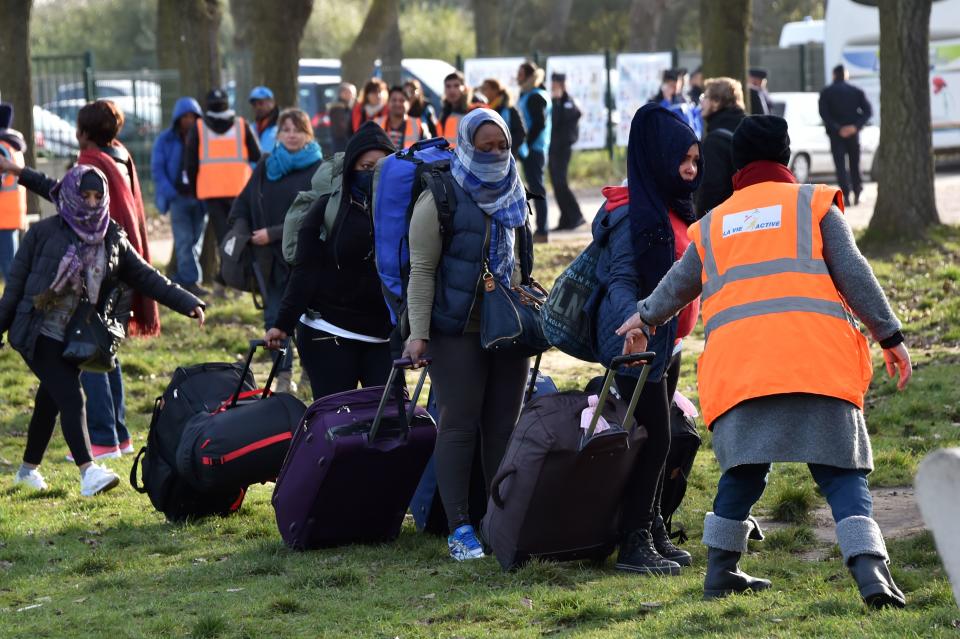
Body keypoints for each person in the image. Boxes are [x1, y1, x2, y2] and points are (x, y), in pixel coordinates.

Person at [617, 115, 910, 608]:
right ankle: (871, 574)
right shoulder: (813, 204)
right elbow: (854, 274)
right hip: (817, 364)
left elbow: (677, 283)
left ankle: (721, 571)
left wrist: (642, 317)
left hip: (744, 371)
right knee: (842, 473)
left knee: (743, 471)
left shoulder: (713, 224)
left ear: (735, 164)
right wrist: (890, 334)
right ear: (786, 154)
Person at [0, 165, 204, 496]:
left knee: (50, 401)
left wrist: (187, 302)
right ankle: (88, 472)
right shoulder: (44, 233)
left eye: (98, 196)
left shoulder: (112, 237)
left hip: (74, 337)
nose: (92, 203)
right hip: (36, 331)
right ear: (70, 195)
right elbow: (15, 288)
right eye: (85, 195)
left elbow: (146, 276)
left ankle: (27, 471)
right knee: (71, 396)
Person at [402, 109, 532, 561]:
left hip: (507, 327)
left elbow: (519, 261)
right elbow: (421, 272)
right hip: (455, 327)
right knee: (458, 422)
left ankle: (497, 521)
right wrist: (417, 335)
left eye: (502, 146)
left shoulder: (516, 188)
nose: (495, 154)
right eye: (485, 146)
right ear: (466, 144)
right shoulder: (440, 194)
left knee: (503, 427)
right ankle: (459, 526)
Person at [3, 100, 162, 460]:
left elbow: (62, 193)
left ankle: (104, 439)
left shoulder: (91, 163)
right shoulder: (120, 155)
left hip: (98, 269)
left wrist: (19, 171)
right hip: (116, 266)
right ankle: (119, 435)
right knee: (106, 347)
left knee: (84, 347)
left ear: (85, 132)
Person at [592, 103, 702, 575]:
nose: (692, 170)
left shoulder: (671, 203)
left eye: (697, 160)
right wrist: (632, 333)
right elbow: (619, 281)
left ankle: (653, 526)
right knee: (652, 441)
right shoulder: (628, 215)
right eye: (684, 160)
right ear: (657, 156)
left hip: (668, 344)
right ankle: (632, 541)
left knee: (661, 439)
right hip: (639, 347)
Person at [265, 121, 395, 400]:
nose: (373, 175)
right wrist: (283, 324)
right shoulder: (326, 207)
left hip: (382, 335)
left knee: (392, 422)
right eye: (366, 167)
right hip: (328, 331)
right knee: (339, 424)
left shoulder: (402, 210)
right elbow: (305, 270)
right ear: (350, 169)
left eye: (382, 168)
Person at [227, 109, 322, 394]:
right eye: (286, 129)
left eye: (298, 130)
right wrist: (242, 233)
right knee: (273, 320)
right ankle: (283, 375)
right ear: (277, 135)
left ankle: (310, 371)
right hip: (268, 262)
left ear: (309, 135)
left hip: (306, 259)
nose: (292, 135)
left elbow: (318, 213)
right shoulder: (266, 166)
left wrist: (274, 233)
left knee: (308, 321)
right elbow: (242, 205)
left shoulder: (319, 169)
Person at [184, 89, 261, 295]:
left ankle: (223, 282)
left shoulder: (198, 128)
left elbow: (190, 164)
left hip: (211, 192)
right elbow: (257, 155)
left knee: (223, 239)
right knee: (239, 236)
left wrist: (194, 190)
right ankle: (234, 283)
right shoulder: (241, 125)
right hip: (240, 191)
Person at [151, 96, 208, 297]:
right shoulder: (165, 140)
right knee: (184, 240)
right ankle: (190, 281)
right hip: (179, 199)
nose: (189, 121)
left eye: (193, 117)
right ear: (178, 118)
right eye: (185, 117)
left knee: (196, 241)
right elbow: (157, 169)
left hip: (201, 199)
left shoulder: (205, 138)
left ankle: (188, 278)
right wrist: (170, 193)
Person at [819, 64, 873, 205]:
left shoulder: (826, 92)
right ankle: (857, 191)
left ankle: (846, 195)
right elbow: (868, 111)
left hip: (836, 135)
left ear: (834, 75)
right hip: (853, 134)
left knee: (840, 166)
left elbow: (824, 114)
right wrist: (855, 127)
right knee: (855, 163)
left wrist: (838, 128)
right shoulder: (856, 91)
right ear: (846, 75)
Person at [695, 77, 747, 215]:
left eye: (705, 96)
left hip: (726, 221)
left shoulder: (715, 141)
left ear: (717, 102)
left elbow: (711, 190)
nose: (701, 102)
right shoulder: (748, 129)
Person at [516, 61, 552, 242]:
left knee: (537, 188)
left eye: (521, 74)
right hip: (533, 148)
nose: (518, 77)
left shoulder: (535, 97)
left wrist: (527, 143)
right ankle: (541, 228)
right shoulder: (529, 94)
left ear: (529, 76)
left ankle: (543, 230)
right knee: (535, 186)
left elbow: (539, 122)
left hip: (534, 148)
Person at [548, 72, 585, 231]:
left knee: (561, 183)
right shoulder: (553, 101)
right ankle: (565, 218)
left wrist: (558, 101)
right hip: (552, 147)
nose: (554, 87)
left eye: (557, 84)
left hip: (563, 148)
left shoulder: (567, 102)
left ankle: (576, 215)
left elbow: (569, 117)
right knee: (556, 185)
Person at [0, 102, 27, 282]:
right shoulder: (13, 146)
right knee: (11, 266)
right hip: (11, 214)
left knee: (10, 270)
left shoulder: (2, 148)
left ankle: (15, 307)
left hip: (3, 216)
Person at [478, 78, 526, 159]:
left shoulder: (509, 109)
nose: (482, 92)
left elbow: (520, 133)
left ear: (495, 90)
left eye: (485, 89)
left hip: (507, 156)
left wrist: (506, 149)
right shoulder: (485, 108)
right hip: (490, 155)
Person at [438, 71, 471, 145]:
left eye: (456, 86)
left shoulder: (472, 112)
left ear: (464, 88)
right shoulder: (445, 112)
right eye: (448, 86)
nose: (452, 90)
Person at [328, 82, 357, 154]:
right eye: (350, 93)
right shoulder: (338, 108)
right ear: (342, 93)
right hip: (342, 144)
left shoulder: (347, 107)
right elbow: (341, 129)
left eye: (353, 93)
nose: (352, 96)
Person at [249, 86, 279, 153]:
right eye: (254, 104)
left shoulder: (282, 127)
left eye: (261, 103)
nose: (257, 107)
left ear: (272, 103)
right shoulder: (251, 128)